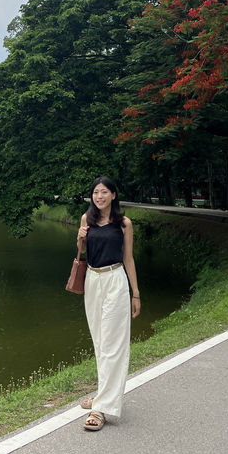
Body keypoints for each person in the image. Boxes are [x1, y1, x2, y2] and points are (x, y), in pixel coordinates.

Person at [77, 175, 140, 431]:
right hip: (93, 280)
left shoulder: (124, 223)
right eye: (96, 192)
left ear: (113, 195)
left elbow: (129, 259)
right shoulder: (86, 219)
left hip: (115, 280)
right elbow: (81, 251)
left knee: (114, 344)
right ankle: (104, 392)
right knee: (100, 342)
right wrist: (80, 238)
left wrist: (135, 293)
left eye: (104, 192)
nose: (99, 196)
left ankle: (101, 409)